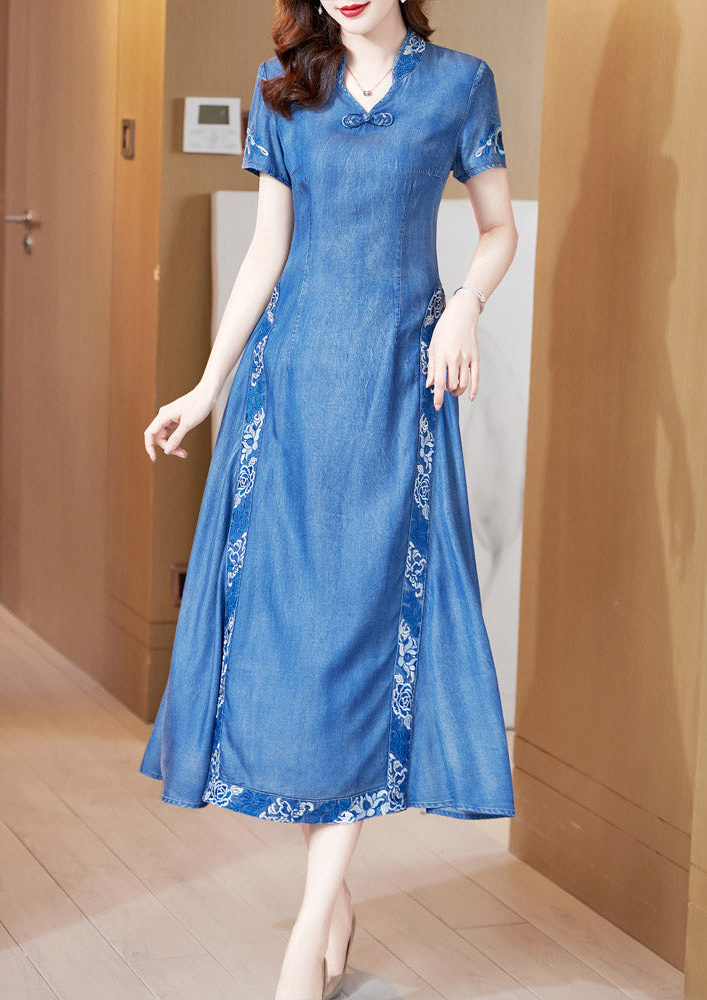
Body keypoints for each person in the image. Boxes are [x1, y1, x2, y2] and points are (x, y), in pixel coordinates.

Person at [140, 1, 518, 996]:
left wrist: (466, 306)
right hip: (288, 397)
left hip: (398, 393)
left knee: (363, 639)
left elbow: (497, 229)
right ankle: (334, 901)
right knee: (297, 651)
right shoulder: (287, 91)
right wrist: (207, 386)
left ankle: (306, 933)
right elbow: (267, 251)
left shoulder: (460, 83)